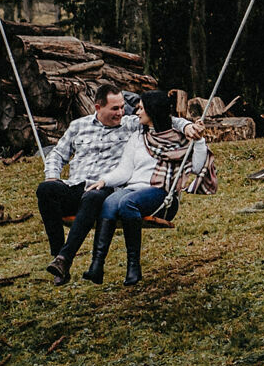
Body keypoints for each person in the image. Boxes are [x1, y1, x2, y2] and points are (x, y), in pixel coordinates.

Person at [50, 91, 201, 286]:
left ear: (152, 111)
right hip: (133, 190)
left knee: (126, 202)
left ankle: (133, 267)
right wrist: (104, 181)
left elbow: (197, 166)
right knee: (110, 201)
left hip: (161, 195)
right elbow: (124, 170)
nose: (135, 112)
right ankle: (97, 266)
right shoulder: (138, 137)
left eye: (141, 108)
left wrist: (198, 137)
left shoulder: (176, 138)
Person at [35, 88, 139, 273]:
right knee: (45, 189)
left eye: (123, 107)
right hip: (76, 186)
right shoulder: (79, 126)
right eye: (115, 108)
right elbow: (57, 154)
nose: (121, 113)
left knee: (92, 196)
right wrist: (52, 176)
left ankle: (64, 258)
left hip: (106, 190)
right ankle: (58, 254)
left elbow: (163, 120)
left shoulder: (131, 125)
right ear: (98, 107)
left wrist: (188, 127)